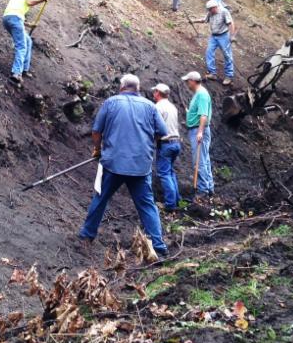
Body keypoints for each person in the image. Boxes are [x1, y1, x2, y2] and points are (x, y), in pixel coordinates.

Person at [79, 74, 169, 257]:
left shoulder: (111, 103)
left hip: (113, 163)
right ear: (138, 88)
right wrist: (148, 143)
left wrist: (98, 149)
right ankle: (158, 245)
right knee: (147, 205)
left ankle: (87, 236)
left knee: (100, 198)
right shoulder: (150, 106)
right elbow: (162, 132)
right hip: (140, 166)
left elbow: (96, 131)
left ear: (122, 87)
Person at [2, 0, 49, 85]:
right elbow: (29, 2)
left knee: (28, 41)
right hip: (15, 19)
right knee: (21, 46)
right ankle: (16, 73)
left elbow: (15, 14)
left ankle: (24, 69)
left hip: (7, 18)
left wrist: (29, 25)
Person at [182, 71, 214, 201]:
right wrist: (190, 113)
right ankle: (209, 188)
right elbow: (199, 113)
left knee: (199, 161)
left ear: (192, 81)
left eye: (187, 81)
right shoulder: (199, 94)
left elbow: (204, 115)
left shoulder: (201, 94)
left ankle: (203, 191)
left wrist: (200, 132)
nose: (187, 84)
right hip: (197, 129)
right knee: (204, 160)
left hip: (198, 130)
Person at [150, 83, 182, 211]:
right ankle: (177, 200)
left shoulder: (158, 107)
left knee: (164, 174)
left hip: (165, 144)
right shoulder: (172, 107)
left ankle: (170, 204)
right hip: (176, 143)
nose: (153, 94)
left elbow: (156, 126)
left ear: (158, 92)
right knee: (170, 172)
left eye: (154, 91)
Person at [190, 0, 236, 86]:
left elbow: (230, 24)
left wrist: (232, 36)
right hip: (214, 36)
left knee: (227, 55)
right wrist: (194, 21)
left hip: (224, 36)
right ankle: (212, 73)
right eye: (208, 10)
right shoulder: (210, 13)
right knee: (209, 52)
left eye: (210, 9)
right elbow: (204, 20)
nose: (209, 11)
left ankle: (229, 76)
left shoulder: (224, 12)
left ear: (215, 7)